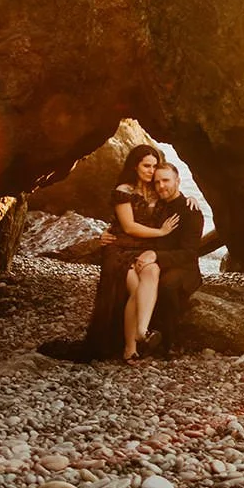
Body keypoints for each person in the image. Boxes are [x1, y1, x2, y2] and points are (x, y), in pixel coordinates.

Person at [79, 144, 178, 361]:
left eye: (154, 166)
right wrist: (161, 232)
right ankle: (130, 348)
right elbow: (129, 227)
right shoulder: (123, 191)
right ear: (135, 167)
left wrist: (191, 200)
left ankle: (142, 333)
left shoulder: (157, 190)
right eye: (146, 166)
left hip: (144, 249)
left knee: (151, 272)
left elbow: (175, 197)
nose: (151, 171)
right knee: (135, 286)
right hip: (120, 248)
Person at [148, 162, 206, 356]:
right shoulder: (156, 207)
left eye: (166, 180)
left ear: (178, 181)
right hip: (160, 263)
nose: (161, 186)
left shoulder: (191, 210)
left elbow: (189, 253)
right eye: (157, 182)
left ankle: (170, 342)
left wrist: (157, 256)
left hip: (186, 269)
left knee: (166, 284)